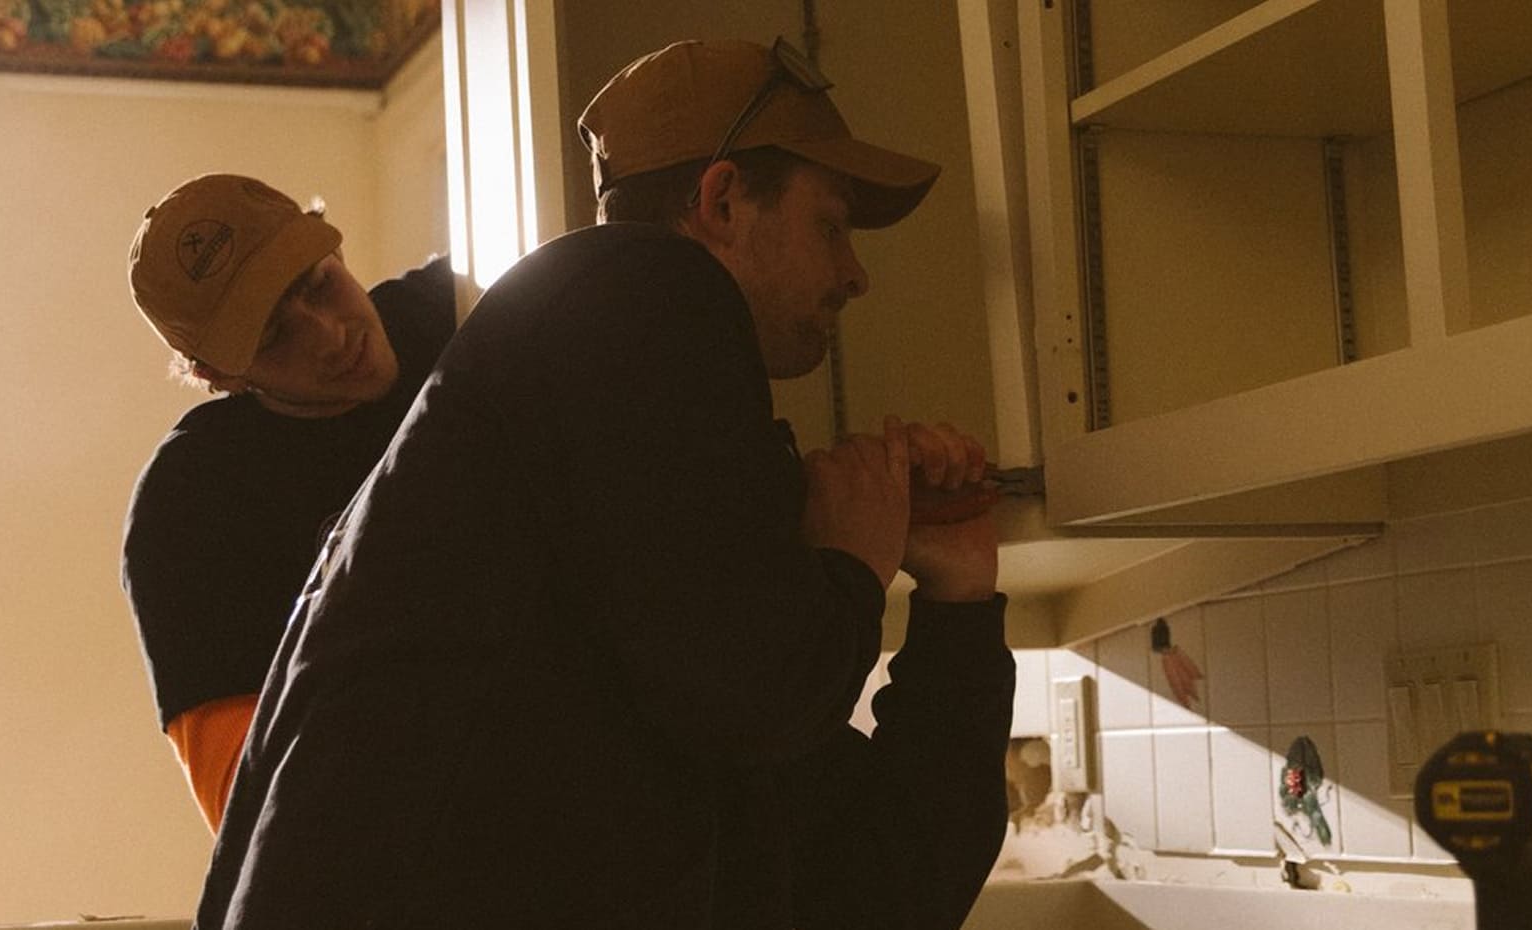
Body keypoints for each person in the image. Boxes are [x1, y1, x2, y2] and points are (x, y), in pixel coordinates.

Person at [197, 38, 1014, 929]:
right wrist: (851, 565)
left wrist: (959, 596)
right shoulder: (631, 284)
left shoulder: (620, 565)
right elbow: (760, 695)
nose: (854, 273)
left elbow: (879, 886)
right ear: (724, 198)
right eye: (831, 223)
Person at [120, 173, 455, 832]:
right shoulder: (190, 510)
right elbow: (261, 819)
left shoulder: (467, 310)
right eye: (275, 334)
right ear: (215, 374)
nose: (331, 335)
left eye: (318, 283)